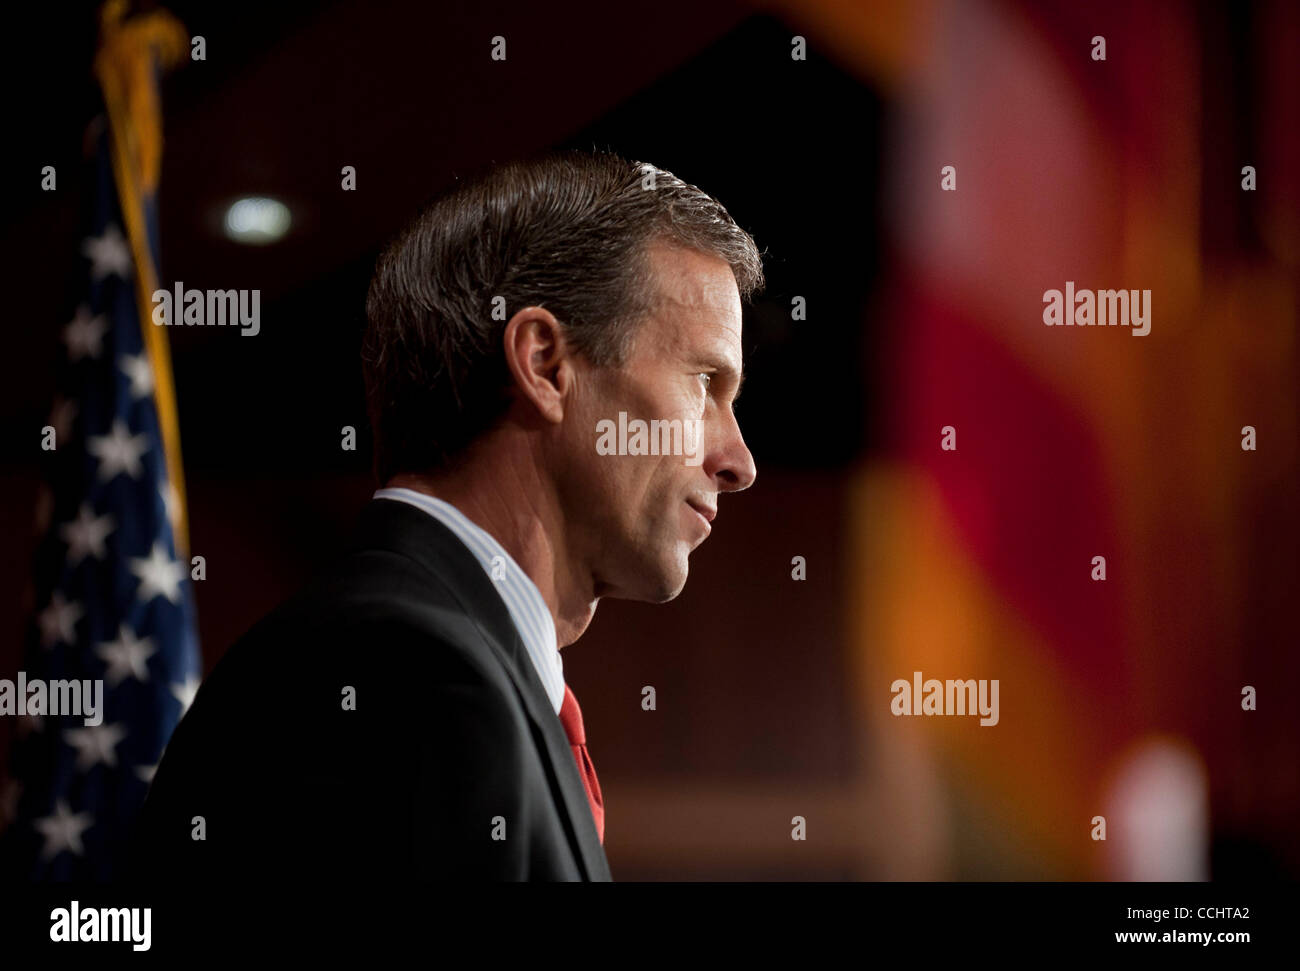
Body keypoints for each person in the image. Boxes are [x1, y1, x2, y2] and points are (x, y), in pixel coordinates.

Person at [132, 150, 763, 881]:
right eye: (704, 382)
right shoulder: (409, 668)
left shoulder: (434, 658)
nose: (738, 459)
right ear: (546, 364)